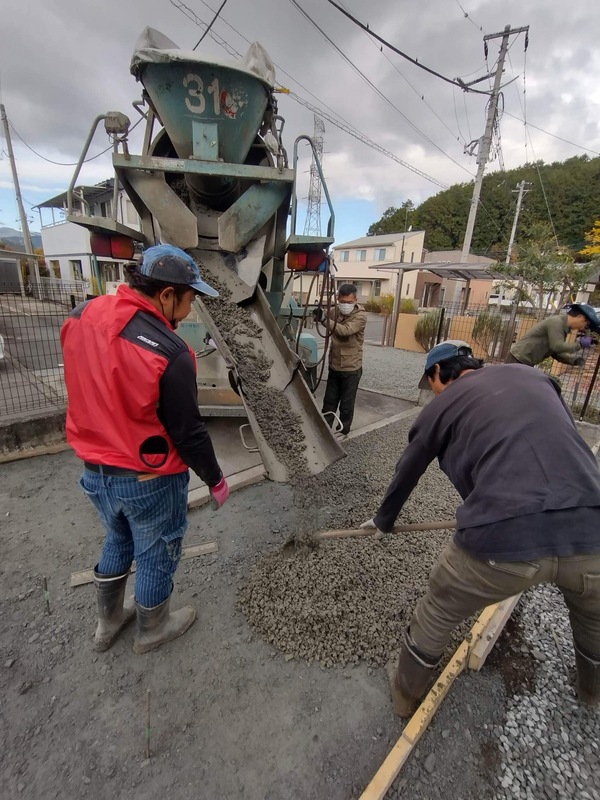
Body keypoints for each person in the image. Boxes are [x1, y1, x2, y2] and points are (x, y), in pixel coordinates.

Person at [361, 340, 600, 716]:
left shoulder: (440, 406)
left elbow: (408, 469)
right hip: (592, 529)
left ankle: (405, 697)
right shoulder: (534, 377)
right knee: (594, 615)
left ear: (438, 374)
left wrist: (383, 521)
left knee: (440, 606)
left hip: (502, 538)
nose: (433, 393)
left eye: (432, 384)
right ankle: (591, 693)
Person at [61, 244, 230, 655]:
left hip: (94, 472)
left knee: (117, 539)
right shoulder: (172, 352)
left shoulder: (82, 316)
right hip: (148, 477)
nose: (191, 309)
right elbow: (189, 433)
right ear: (167, 295)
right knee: (157, 552)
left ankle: (108, 623)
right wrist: (215, 477)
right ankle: (151, 628)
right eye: (191, 299)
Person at [317, 284, 367, 437]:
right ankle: (324, 431)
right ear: (338, 299)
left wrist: (325, 320)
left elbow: (345, 331)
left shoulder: (360, 316)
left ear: (355, 300)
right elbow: (325, 316)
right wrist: (318, 314)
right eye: (343, 301)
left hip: (351, 369)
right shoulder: (335, 312)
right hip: (334, 366)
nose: (346, 305)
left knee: (346, 404)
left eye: (349, 302)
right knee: (329, 402)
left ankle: (343, 431)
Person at [507, 303, 600, 367]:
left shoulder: (563, 327)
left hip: (525, 361)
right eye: (586, 324)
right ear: (580, 317)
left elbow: (555, 353)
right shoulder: (556, 323)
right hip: (518, 359)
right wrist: (579, 344)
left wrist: (574, 360)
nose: (584, 328)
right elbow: (557, 347)